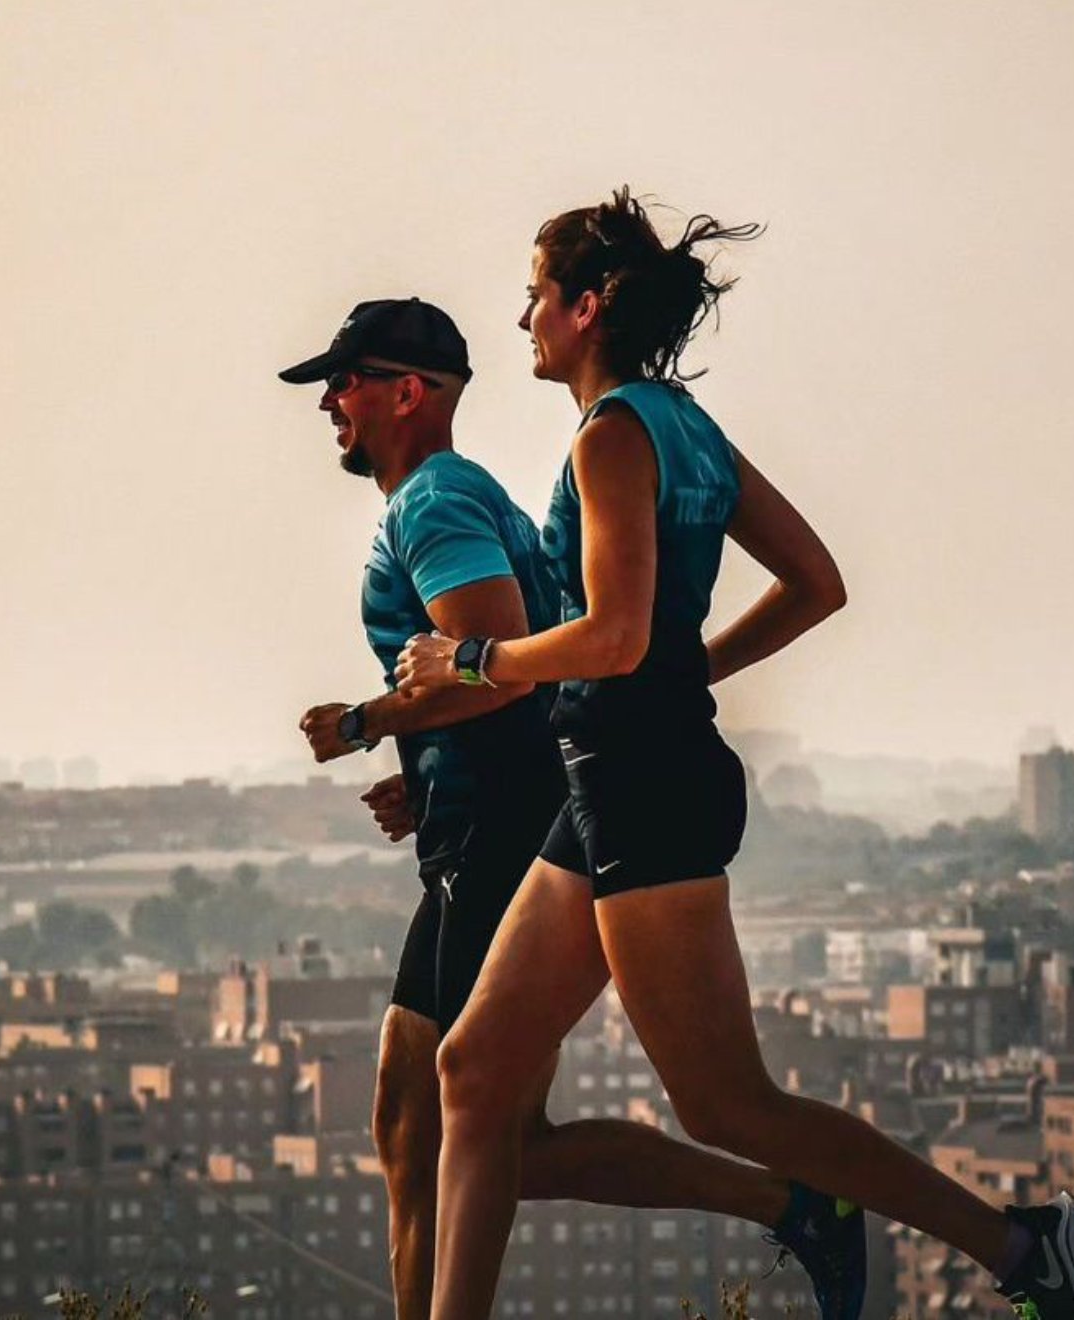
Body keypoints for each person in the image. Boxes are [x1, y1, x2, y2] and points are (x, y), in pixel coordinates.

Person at [394, 189, 1074, 1320]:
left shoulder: (613, 436)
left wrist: (468, 662)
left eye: (534, 297)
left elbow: (613, 634)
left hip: (641, 784)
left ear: (589, 304)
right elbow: (816, 585)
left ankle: (1026, 1248)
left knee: (729, 1107)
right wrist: (684, 672)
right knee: (471, 1074)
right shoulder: (684, 427)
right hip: (615, 772)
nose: (521, 320)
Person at [281, 296, 865, 1319]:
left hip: (505, 834)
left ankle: (793, 1202)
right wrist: (423, 767)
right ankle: (794, 1203)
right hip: (479, 822)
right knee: (415, 1119)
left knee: (483, 1129)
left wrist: (371, 720)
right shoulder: (456, 498)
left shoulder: (436, 502)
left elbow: (497, 664)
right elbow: (527, 675)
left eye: (350, 380)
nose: (331, 399)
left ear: (407, 393)